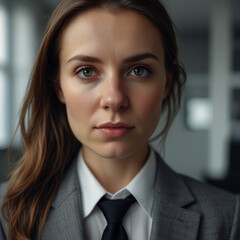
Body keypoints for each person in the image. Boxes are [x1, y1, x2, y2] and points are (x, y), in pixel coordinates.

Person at [0, 0, 239, 239]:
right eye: (86, 71)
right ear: (58, 86)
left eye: (138, 70)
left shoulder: (228, 219)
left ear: (167, 81)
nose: (114, 99)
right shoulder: (6, 215)